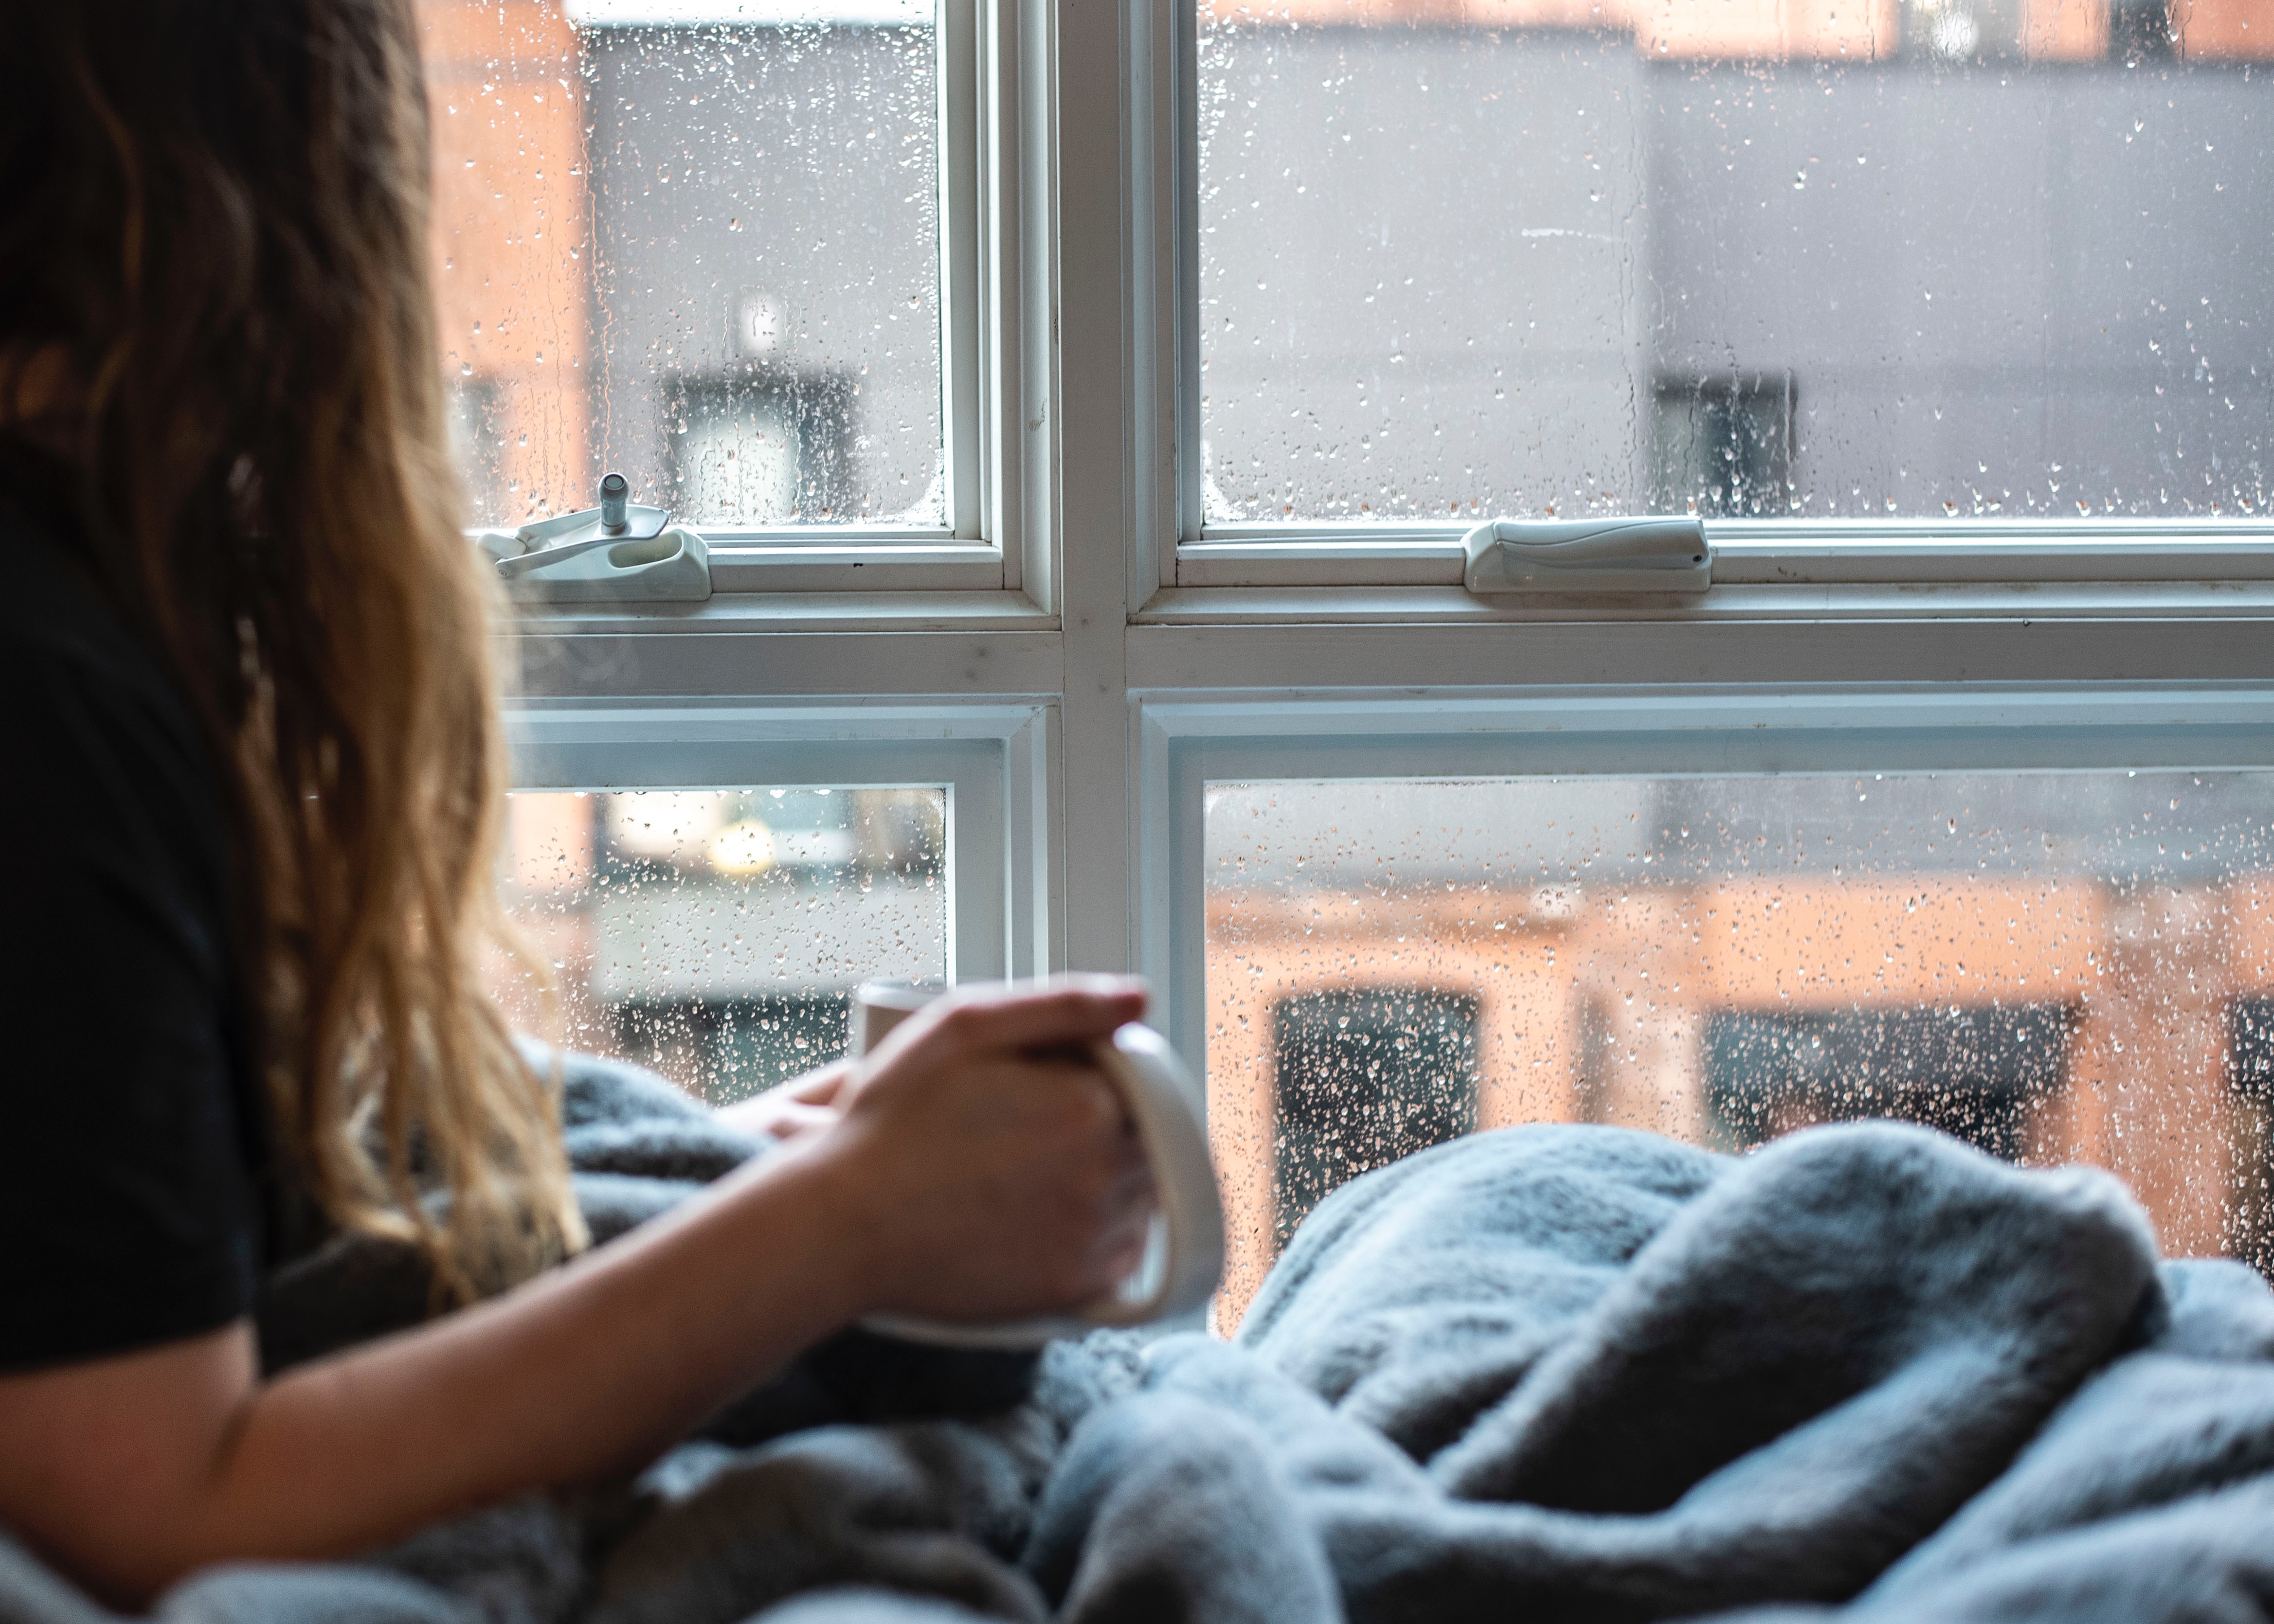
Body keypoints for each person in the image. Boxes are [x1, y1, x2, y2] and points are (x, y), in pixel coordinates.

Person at [0, 2, 1154, 1607]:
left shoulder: (91, 620)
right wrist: (841, 1223)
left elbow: (135, 1270)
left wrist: (755, 1173)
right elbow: (154, 1500)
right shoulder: (48, 697)